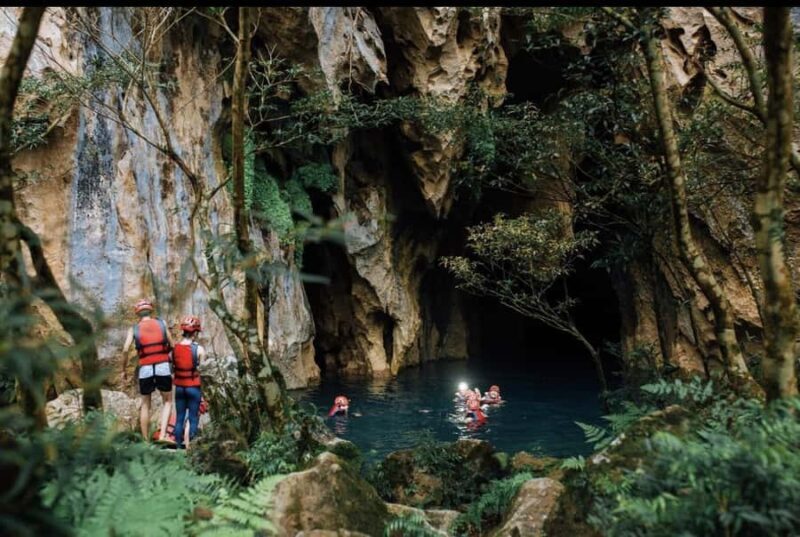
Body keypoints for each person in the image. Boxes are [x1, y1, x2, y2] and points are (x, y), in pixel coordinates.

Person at [122, 299, 174, 441]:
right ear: (151, 311)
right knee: (168, 400)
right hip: (162, 365)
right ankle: (163, 435)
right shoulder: (162, 323)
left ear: (137, 313)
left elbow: (125, 349)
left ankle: (145, 441)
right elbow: (172, 344)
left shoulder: (134, 328)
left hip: (145, 367)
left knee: (145, 403)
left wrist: (123, 370)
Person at [172, 316, 205, 449]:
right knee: (192, 417)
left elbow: (172, 368)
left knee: (179, 417)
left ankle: (179, 445)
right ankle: (191, 446)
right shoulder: (199, 350)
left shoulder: (174, 349)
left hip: (179, 387)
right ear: (195, 333)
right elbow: (203, 371)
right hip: (193, 387)